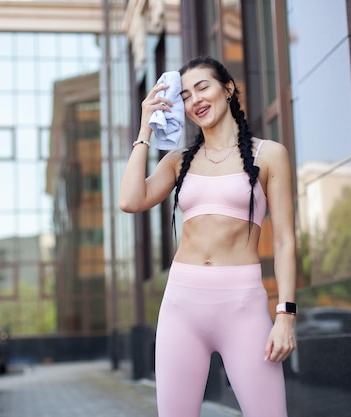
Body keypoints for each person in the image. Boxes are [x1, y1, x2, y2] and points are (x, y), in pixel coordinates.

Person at [120, 56, 297, 417]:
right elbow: (130, 200)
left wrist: (286, 315)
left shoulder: (270, 155)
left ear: (228, 89)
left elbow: (284, 241)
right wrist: (144, 130)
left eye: (203, 87)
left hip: (243, 306)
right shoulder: (177, 160)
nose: (195, 100)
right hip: (181, 306)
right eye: (185, 96)